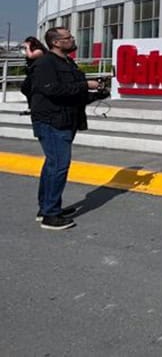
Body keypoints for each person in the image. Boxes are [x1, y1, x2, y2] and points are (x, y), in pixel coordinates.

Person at [30, 27, 109, 230]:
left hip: (66, 120)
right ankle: (50, 215)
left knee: (52, 166)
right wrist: (85, 85)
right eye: (68, 38)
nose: (72, 39)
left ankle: (47, 208)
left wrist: (96, 94)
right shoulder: (45, 63)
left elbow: (73, 93)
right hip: (52, 121)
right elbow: (52, 90)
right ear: (56, 42)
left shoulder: (67, 62)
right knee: (58, 166)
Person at [20, 36, 47, 115]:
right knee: (26, 89)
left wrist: (28, 47)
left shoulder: (39, 51)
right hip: (30, 73)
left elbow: (31, 56)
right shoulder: (31, 50)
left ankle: (33, 107)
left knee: (29, 89)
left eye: (28, 43)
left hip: (37, 73)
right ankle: (31, 107)